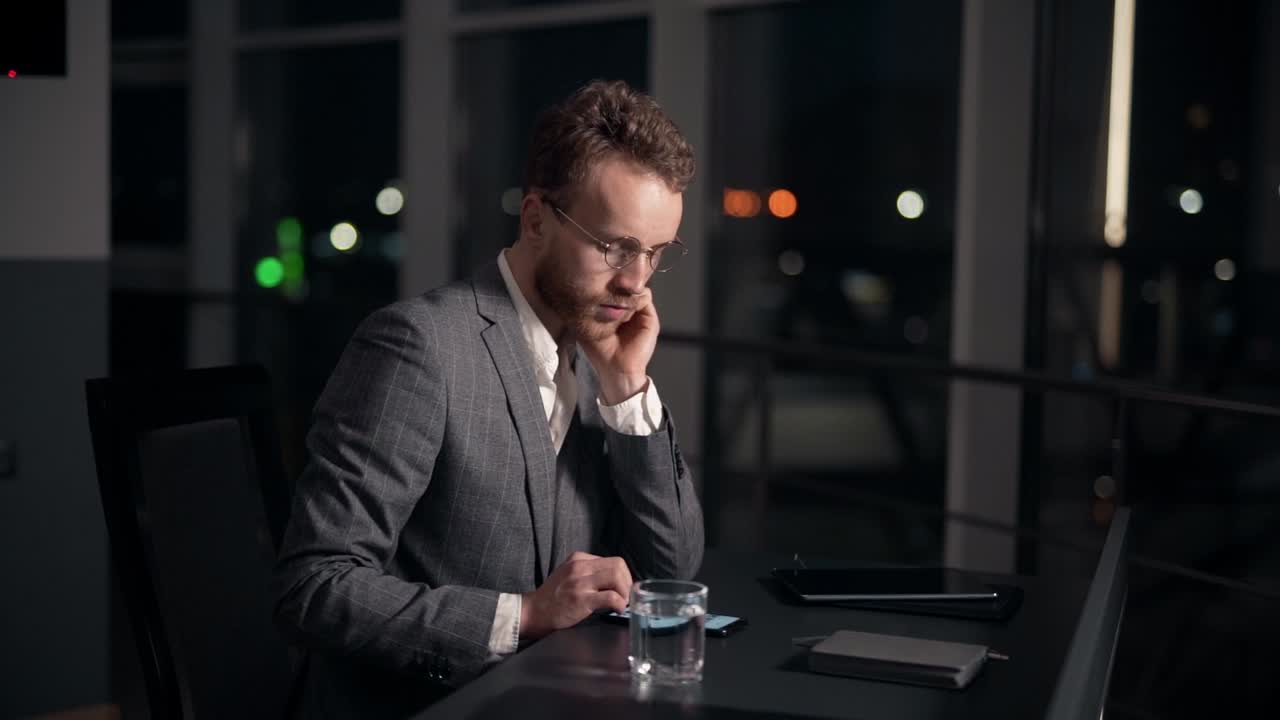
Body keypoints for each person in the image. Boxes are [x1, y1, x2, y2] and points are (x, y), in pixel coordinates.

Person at [273, 79, 705, 717]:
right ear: (535, 220)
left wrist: (627, 389)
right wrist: (524, 615)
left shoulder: (598, 350)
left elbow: (671, 574)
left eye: (654, 253)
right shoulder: (418, 346)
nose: (635, 283)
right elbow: (313, 586)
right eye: (615, 247)